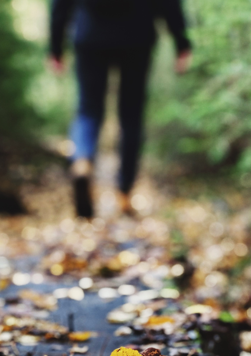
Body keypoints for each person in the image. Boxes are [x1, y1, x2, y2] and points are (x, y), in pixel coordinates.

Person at [50, 0, 192, 218]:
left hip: (90, 32)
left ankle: (82, 160)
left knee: (88, 109)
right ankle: (124, 193)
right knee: (131, 115)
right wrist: (181, 41)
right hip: (137, 33)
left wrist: (55, 45)